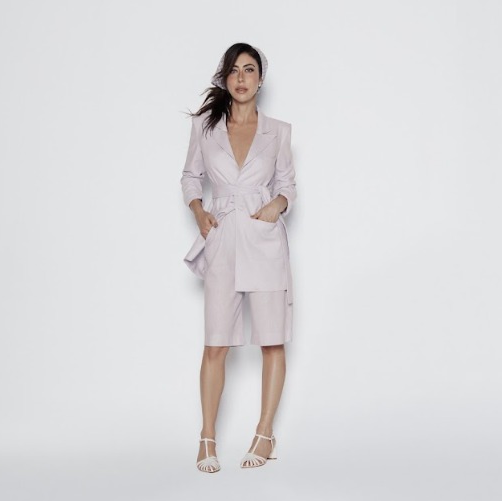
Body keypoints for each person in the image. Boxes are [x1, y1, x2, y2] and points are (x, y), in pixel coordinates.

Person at [179, 43, 296, 473]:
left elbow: (288, 184)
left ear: (260, 79)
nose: (241, 78)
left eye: (249, 70)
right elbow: (190, 176)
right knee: (216, 342)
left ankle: (264, 434)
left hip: (263, 238)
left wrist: (277, 205)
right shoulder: (205, 128)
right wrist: (198, 211)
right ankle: (207, 437)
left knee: (271, 338)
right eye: (234, 70)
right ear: (225, 78)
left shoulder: (278, 131)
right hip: (223, 235)